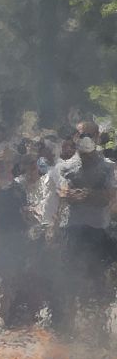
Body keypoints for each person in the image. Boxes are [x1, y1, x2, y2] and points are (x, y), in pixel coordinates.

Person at [47, 126, 117, 334]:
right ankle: (67, 330)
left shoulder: (108, 167)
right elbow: (62, 194)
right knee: (69, 282)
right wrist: (53, 228)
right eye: (81, 134)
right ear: (76, 137)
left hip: (98, 232)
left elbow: (109, 196)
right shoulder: (64, 167)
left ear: (96, 137)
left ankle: (99, 330)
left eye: (90, 134)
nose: (85, 138)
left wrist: (88, 194)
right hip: (73, 231)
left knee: (98, 285)